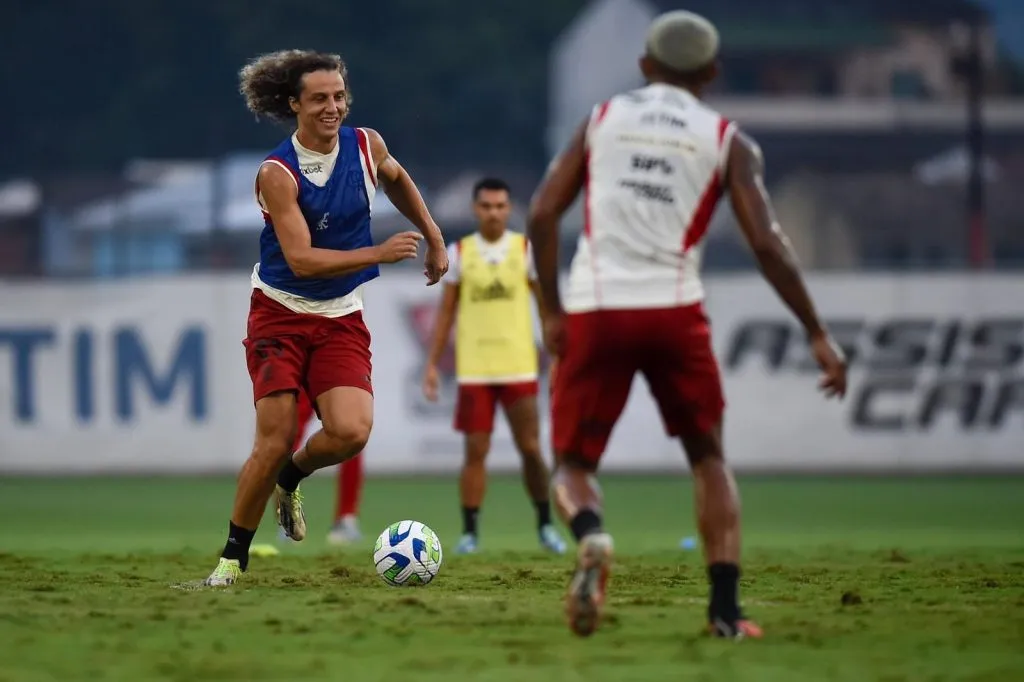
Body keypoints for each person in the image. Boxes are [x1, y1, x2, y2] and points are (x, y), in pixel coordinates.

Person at [527, 11, 848, 638]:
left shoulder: (602, 120)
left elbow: (541, 214)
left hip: (597, 308)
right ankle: (726, 613)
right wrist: (814, 329)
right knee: (708, 457)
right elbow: (769, 244)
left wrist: (551, 311)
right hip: (674, 309)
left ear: (645, 65)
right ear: (711, 73)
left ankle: (592, 537)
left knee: (571, 463)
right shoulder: (728, 139)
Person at [204, 49, 448, 586]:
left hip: (340, 316)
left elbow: (398, 178)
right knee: (275, 436)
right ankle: (230, 561)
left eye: (339, 96)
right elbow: (302, 261)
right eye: (319, 99)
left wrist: (432, 236)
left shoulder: (367, 145)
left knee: (351, 432)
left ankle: (291, 479)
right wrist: (376, 253)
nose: (332, 107)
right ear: (294, 105)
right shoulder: (277, 173)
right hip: (279, 314)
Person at [422, 178, 567, 555]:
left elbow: (545, 307)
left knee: (532, 450)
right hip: (475, 370)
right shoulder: (460, 253)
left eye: (501, 206)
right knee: (475, 452)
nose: (494, 213)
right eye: (487, 206)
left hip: (519, 367)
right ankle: (470, 533)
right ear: (475, 209)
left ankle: (545, 525)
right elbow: (446, 314)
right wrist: (433, 365)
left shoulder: (525, 251)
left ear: (509, 209)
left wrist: (558, 353)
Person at [281, 390, 365, 545]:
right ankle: (288, 517)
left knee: (350, 431)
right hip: (304, 368)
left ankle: (346, 517)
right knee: (291, 431)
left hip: (338, 369)